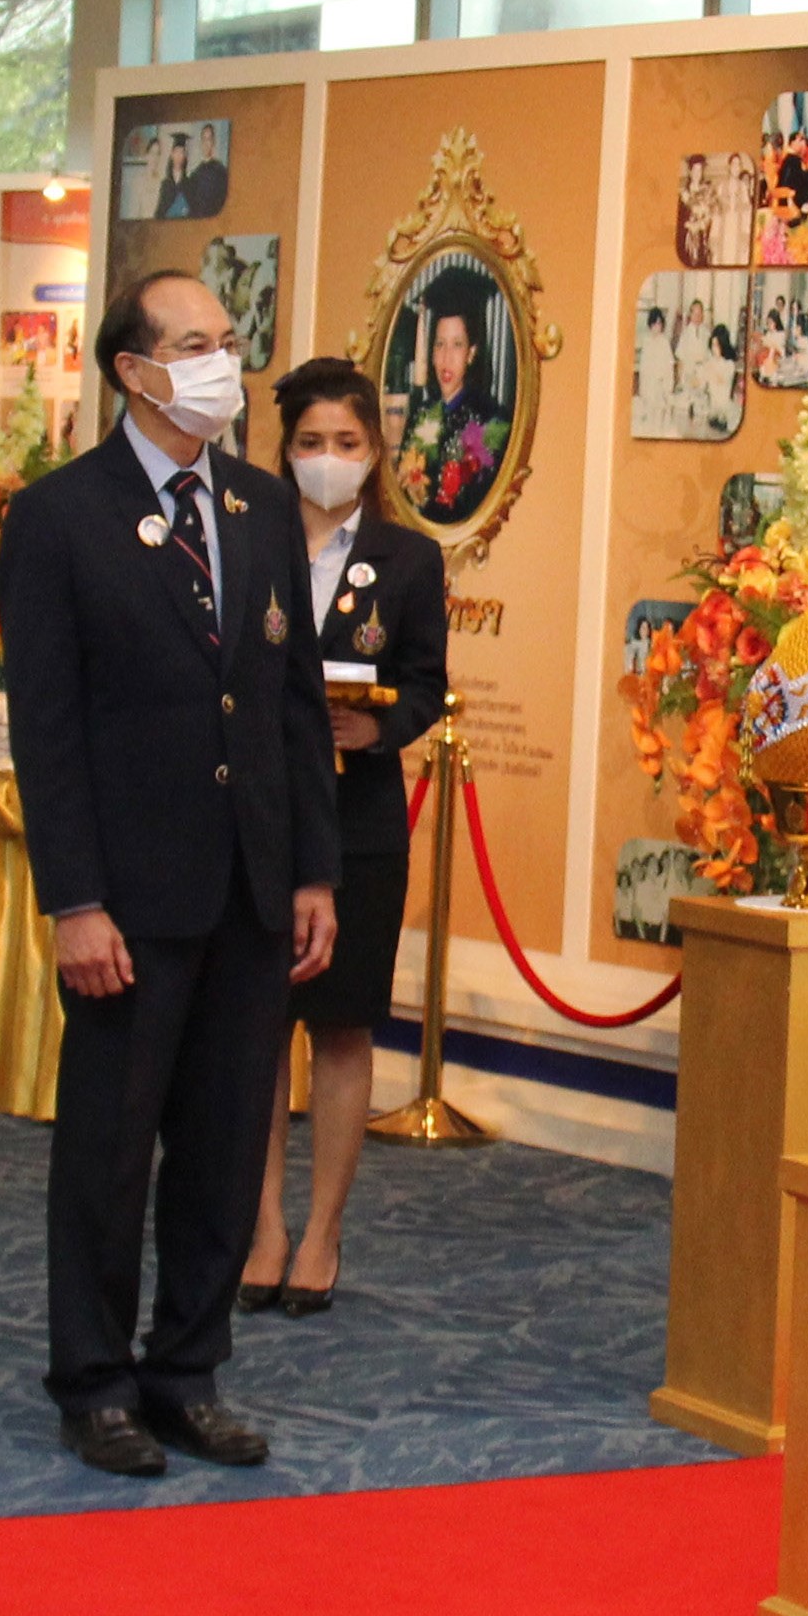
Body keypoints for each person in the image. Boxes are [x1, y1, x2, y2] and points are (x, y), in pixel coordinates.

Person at [0, 270, 336, 1478]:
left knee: (227, 1141)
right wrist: (74, 899)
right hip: (128, 896)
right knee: (109, 1147)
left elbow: (292, 703)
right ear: (133, 371)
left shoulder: (258, 504)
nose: (222, 363)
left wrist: (312, 871)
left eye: (229, 340)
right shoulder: (58, 517)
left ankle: (186, 1369)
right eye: (196, 344)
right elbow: (45, 727)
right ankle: (93, 1381)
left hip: (250, 884)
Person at [241, 357, 446, 1318]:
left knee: (341, 1021)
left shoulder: (408, 560)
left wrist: (379, 725)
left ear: (375, 451)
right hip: (257, 814)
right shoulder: (249, 539)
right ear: (285, 450)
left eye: (348, 442)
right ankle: (262, 1226)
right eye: (312, 442)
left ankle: (321, 1229)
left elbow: (427, 683)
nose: (329, 458)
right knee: (255, 1025)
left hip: (358, 819)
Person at [393, 299, 508, 526]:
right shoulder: (420, 414)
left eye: (457, 344)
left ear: (471, 353)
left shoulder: (489, 417)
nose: (446, 358)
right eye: (439, 344)